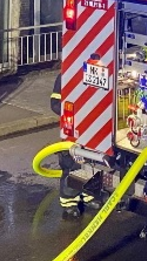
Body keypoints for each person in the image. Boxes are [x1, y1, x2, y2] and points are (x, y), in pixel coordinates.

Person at [49, 72, 93, 214]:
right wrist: (74, 111)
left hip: (90, 130)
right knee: (71, 164)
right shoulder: (64, 77)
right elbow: (55, 104)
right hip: (72, 131)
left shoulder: (91, 75)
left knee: (91, 163)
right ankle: (69, 200)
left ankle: (89, 195)